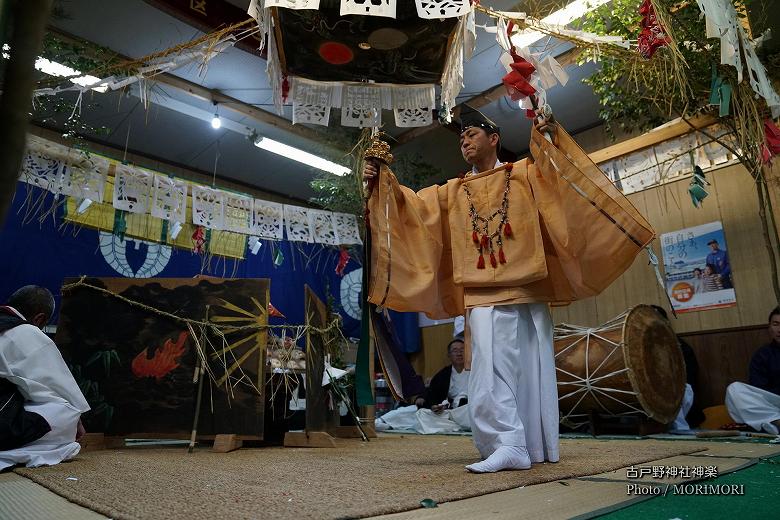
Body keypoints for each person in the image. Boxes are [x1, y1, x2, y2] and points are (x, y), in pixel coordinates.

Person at [0, 286, 90, 470]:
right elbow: (55, 387)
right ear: (39, 319)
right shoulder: (24, 331)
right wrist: (77, 418)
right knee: (65, 413)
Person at [376, 338, 471, 434]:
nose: (459, 353)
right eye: (455, 350)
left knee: (470, 410)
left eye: (462, 350)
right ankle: (384, 421)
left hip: (465, 412)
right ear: (449, 355)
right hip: (446, 412)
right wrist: (433, 405)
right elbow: (432, 393)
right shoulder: (443, 374)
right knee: (417, 412)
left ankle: (391, 423)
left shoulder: (476, 372)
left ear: (468, 352)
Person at [725, 307, 780, 434]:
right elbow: (758, 388)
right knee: (734, 389)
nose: (779, 329)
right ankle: (775, 422)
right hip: (773, 403)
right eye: (776, 324)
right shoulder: (762, 354)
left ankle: (770, 425)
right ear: (769, 328)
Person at [650, 305, 704, 430]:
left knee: (676, 390)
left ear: (666, 323)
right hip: (648, 398)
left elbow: (689, 380)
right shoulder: (639, 349)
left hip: (679, 394)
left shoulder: (681, 347)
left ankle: (680, 431)